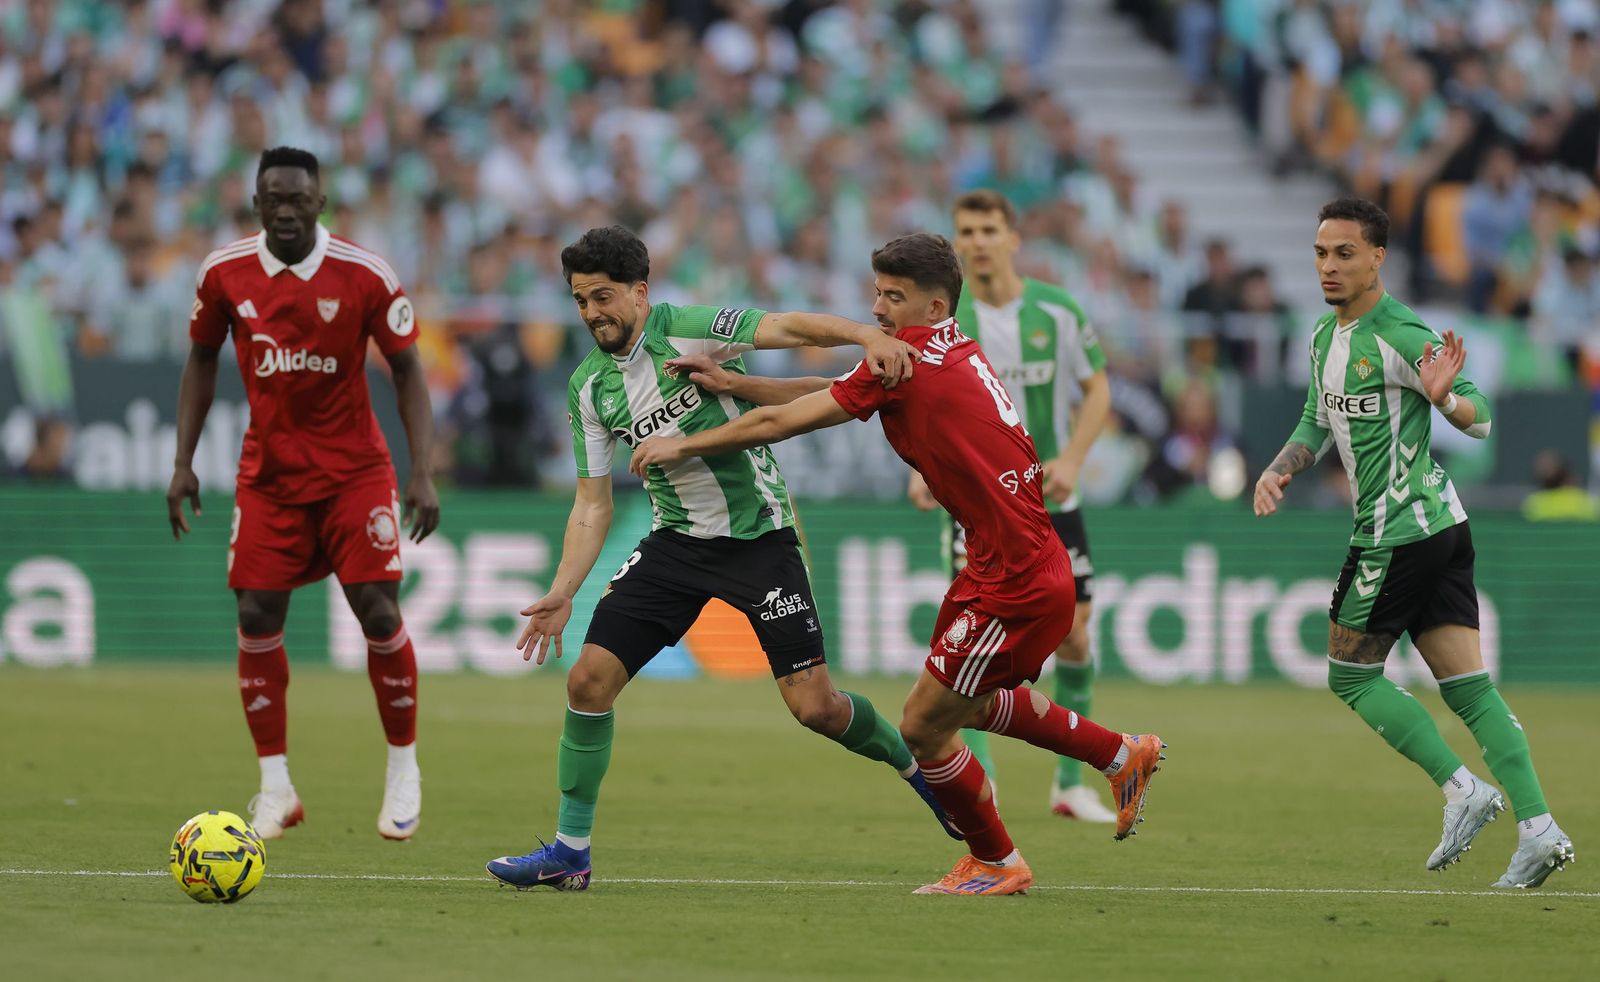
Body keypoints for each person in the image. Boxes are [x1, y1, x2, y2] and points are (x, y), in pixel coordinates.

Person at [631, 232, 1165, 895]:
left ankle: (998, 861)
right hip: (1011, 564)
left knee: (921, 725)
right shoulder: (943, 347)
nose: (878, 308)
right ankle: (1119, 754)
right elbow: (837, 388)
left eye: (894, 296)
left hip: (1016, 579)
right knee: (964, 708)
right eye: (876, 292)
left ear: (933, 302)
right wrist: (739, 383)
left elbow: (784, 424)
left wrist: (684, 445)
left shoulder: (908, 358)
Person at [484, 225, 954, 893]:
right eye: (581, 300)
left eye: (604, 297)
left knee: (816, 708)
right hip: (676, 545)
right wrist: (563, 590)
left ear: (641, 294)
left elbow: (790, 327)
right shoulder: (588, 388)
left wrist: (868, 336)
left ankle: (926, 774)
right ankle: (570, 851)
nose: (592, 313)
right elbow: (592, 505)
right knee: (587, 682)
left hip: (759, 539)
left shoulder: (691, 327)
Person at [1252, 197, 1574, 888]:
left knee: (1349, 674)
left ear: (1378, 258)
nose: (1328, 266)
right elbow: (1315, 420)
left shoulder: (1401, 332)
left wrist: (1446, 398)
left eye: (1344, 253)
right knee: (1468, 688)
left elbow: (1481, 417)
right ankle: (1539, 828)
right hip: (1441, 528)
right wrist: (1280, 469)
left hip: (1395, 533)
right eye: (1319, 253)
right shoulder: (1322, 336)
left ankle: (1462, 789)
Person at [166, 147, 440, 841]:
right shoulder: (224, 273)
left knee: (378, 610)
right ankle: (276, 787)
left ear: (321, 203)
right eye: (273, 199)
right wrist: (183, 462)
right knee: (256, 615)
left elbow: (408, 373)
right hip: (270, 476)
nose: (286, 210)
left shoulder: (364, 274)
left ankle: (403, 766)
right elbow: (201, 360)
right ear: (256, 204)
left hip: (354, 471)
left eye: (298, 199)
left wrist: (423, 471)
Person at [910, 189, 1115, 822]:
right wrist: (924, 474)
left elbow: (1098, 388)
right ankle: (984, 778)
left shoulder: (1056, 310)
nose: (976, 241)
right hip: (980, 510)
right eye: (965, 230)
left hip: (1054, 495)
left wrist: (1075, 459)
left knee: (1076, 638)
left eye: (987, 229)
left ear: (1012, 238)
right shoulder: (948, 322)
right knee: (973, 645)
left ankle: (1070, 785)